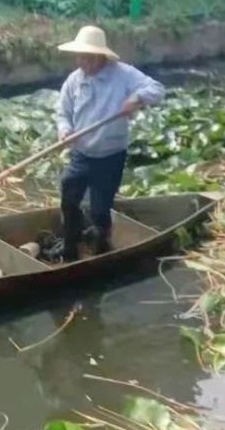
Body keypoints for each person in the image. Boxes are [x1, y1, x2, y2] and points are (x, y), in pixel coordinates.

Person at [56, 25, 165, 261]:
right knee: (68, 197)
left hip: (110, 155)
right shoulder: (74, 80)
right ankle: (70, 247)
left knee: (99, 209)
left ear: (100, 56)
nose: (81, 62)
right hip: (81, 154)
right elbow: (62, 112)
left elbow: (157, 89)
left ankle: (101, 248)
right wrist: (65, 131)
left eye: (87, 58)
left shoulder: (123, 75)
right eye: (79, 57)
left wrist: (137, 98)